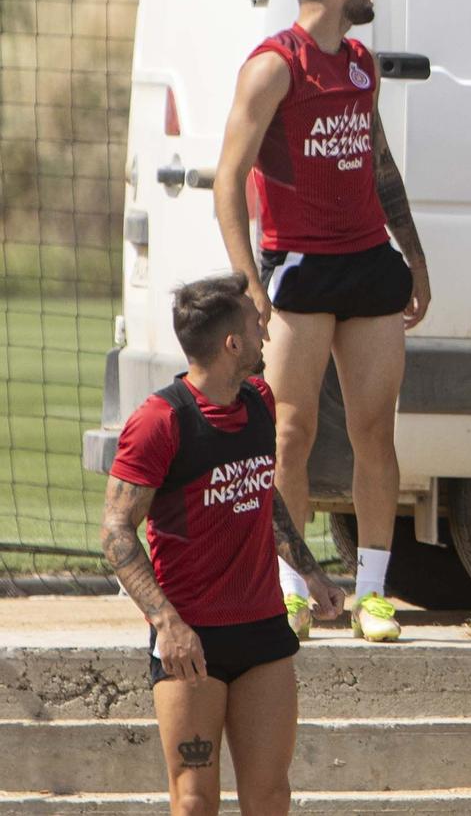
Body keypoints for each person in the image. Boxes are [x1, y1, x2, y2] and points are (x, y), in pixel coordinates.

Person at [215, 0, 429, 645]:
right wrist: (249, 282)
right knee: (290, 431)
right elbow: (227, 179)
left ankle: (372, 593)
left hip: (370, 264)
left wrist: (416, 258)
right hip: (298, 267)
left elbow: (380, 165)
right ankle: (293, 587)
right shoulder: (275, 66)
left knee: (375, 430)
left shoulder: (362, 61)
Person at [102, 273, 344, 816]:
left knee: (270, 797)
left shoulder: (258, 399)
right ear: (232, 343)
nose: (265, 333)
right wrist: (168, 625)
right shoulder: (159, 421)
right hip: (191, 642)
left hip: (262, 630)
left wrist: (311, 573)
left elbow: (262, 494)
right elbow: (116, 531)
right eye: (257, 325)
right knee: (193, 801)